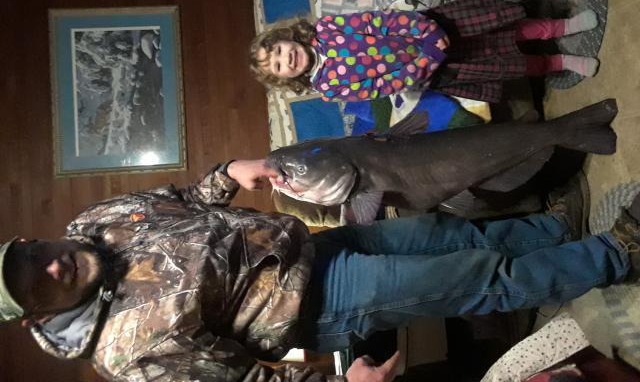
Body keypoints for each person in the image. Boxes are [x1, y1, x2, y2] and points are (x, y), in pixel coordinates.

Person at [1, 160, 639, 382]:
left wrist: (228, 175)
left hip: (313, 245)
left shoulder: (95, 221)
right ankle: (615, 254)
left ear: (29, 241)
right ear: (35, 314)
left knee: (447, 234)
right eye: (35, 283)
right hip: (322, 303)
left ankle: (552, 232)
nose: (50, 265)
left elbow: (182, 201)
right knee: (476, 278)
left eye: (31, 256)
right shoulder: (124, 354)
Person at [249, 0, 600, 103]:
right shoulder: (329, 88)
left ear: (286, 37)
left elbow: (379, 21)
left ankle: (560, 27)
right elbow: (383, 86)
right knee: (507, 64)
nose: (285, 59)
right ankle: (558, 62)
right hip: (437, 69)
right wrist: (428, 60)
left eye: (278, 50)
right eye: (278, 66)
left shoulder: (326, 28)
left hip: (434, 29)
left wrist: (427, 33)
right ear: (286, 79)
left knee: (503, 31)